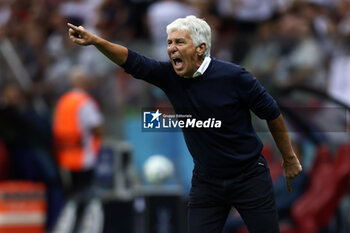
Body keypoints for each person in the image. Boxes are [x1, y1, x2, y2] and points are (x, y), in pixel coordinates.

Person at [67, 15, 302, 233]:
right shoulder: (170, 76)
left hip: (249, 177)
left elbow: (272, 113)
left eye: (179, 42)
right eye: (169, 43)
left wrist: (289, 158)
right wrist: (96, 41)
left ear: (200, 48)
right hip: (207, 182)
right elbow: (133, 61)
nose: (171, 48)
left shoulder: (235, 77)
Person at [53, 67, 104, 198]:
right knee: (84, 196)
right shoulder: (85, 101)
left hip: (64, 156)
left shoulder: (62, 101)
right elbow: (97, 127)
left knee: (70, 196)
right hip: (84, 157)